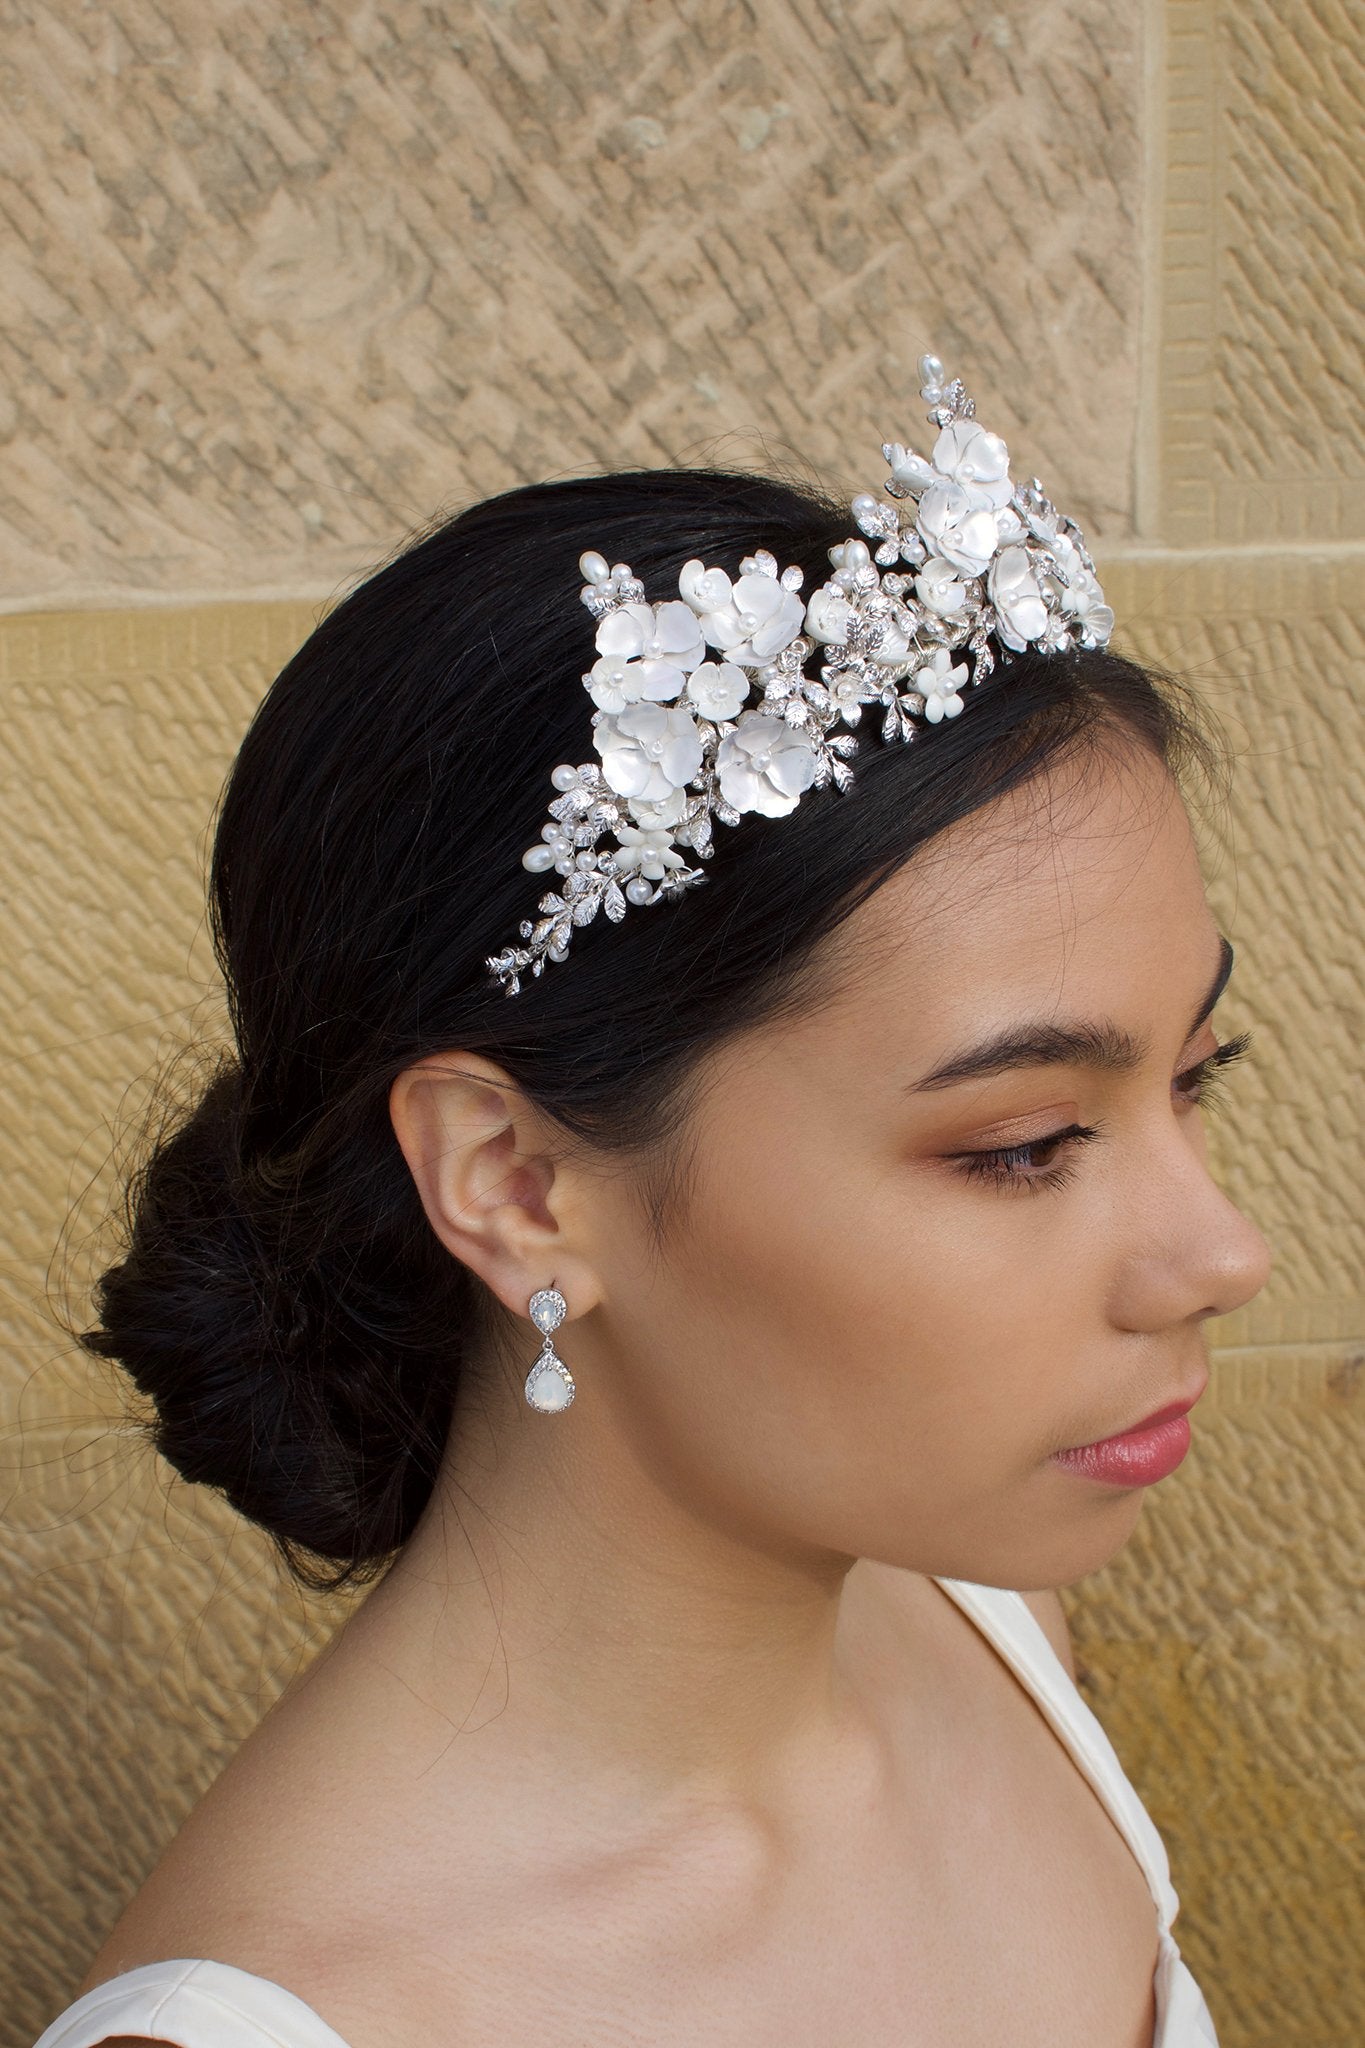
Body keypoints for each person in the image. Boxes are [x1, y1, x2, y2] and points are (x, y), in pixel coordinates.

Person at [35, 360, 1270, 2048]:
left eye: (1193, 1076)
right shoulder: (311, 2016)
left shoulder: (987, 1626)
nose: (1222, 1254)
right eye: (1025, 1142)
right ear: (514, 1184)